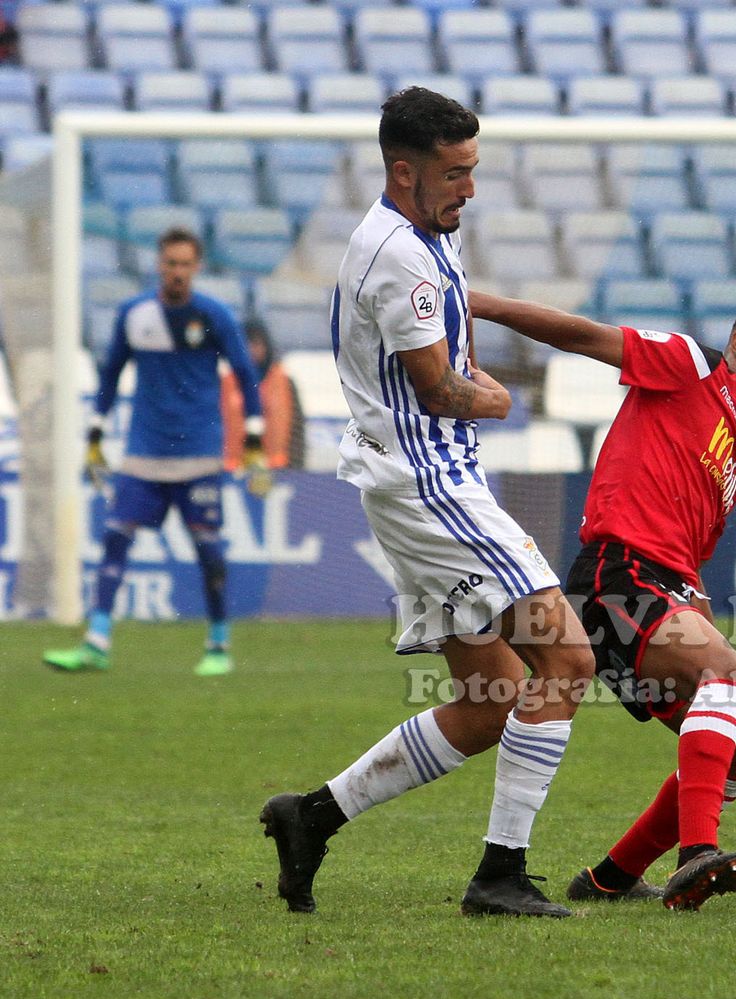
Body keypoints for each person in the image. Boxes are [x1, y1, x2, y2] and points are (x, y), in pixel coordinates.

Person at [258, 87, 595, 920]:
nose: (469, 188)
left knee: (488, 705)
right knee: (570, 660)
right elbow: (440, 387)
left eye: (473, 169)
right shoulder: (403, 256)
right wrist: (493, 399)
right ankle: (500, 873)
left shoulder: (415, 236)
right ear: (403, 171)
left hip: (417, 483)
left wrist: (466, 387)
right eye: (455, 172)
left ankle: (311, 816)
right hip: (428, 486)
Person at [470, 288, 736, 910]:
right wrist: (481, 305)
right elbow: (583, 336)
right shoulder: (690, 365)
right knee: (723, 677)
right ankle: (698, 856)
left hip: (662, 590)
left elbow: (690, 565)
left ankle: (611, 877)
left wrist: (719, 656)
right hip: (617, 579)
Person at [43, 227, 266, 677]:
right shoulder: (135, 314)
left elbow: (245, 373)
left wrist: (254, 441)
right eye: (170, 263)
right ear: (158, 264)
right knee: (115, 538)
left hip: (199, 453)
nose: (177, 272)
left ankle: (218, 643)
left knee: (208, 551)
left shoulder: (215, 315)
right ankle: (96, 642)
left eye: (185, 264)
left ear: (196, 267)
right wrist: (94, 435)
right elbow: (110, 377)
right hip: (144, 452)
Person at [222, 320, 300, 474]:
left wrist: (297, 468)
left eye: (256, 344)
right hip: (233, 472)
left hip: (279, 471)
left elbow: (296, 428)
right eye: (246, 344)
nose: (252, 350)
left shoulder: (284, 381)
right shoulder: (225, 383)